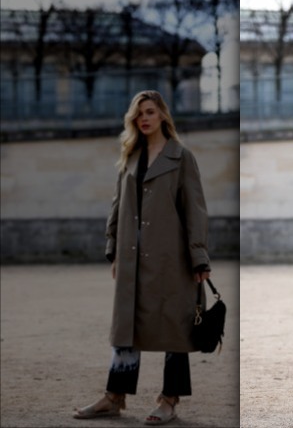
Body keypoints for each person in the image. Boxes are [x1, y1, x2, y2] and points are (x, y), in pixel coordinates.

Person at [73, 90, 211, 426]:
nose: (144, 119)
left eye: (150, 112)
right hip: (132, 257)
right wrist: (113, 250)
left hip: (171, 258)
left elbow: (195, 210)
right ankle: (114, 396)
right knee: (125, 326)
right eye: (138, 115)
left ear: (163, 114)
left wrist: (199, 259)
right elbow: (117, 205)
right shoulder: (131, 157)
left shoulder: (181, 157)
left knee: (175, 326)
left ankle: (169, 399)